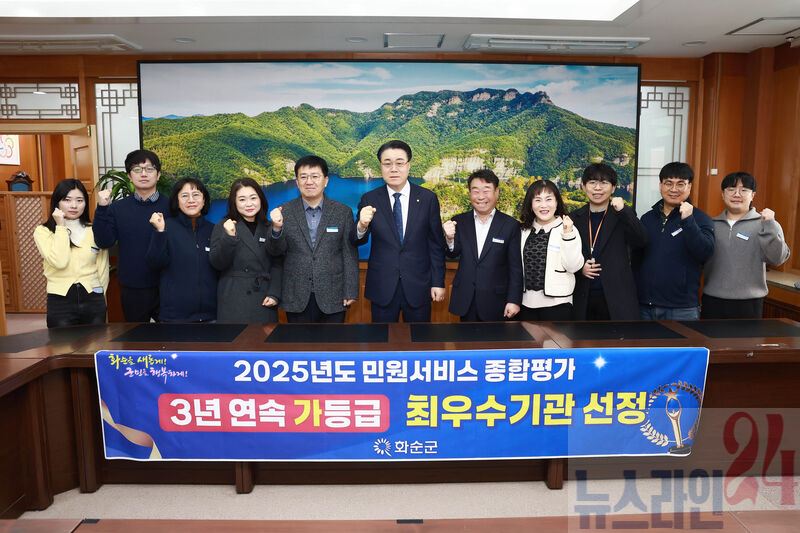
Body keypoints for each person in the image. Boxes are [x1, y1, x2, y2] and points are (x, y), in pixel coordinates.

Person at [349, 140, 446, 322]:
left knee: (419, 338)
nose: (393, 169)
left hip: (419, 286)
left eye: (399, 163)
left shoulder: (428, 199)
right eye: (387, 163)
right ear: (381, 167)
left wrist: (438, 282)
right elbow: (356, 240)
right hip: (382, 287)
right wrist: (361, 225)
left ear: (408, 165)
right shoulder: (369, 198)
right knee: (381, 338)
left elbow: (436, 245)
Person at [267, 156, 359, 323]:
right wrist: (276, 229)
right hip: (296, 294)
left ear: (326, 181)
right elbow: (275, 252)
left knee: (334, 340)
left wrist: (350, 290)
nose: (309, 181)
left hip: (334, 293)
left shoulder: (342, 212)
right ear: (297, 182)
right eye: (303, 177)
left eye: (315, 176)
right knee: (298, 340)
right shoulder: (284, 211)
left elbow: (349, 253)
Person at [93, 149, 169, 322]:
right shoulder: (117, 208)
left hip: (166, 286)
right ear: (129, 176)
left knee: (169, 336)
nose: (144, 174)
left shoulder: (171, 206)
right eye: (137, 169)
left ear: (158, 175)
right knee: (136, 336)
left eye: (149, 169)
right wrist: (102, 208)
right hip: (133, 287)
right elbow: (104, 241)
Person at [702, 172, 790, 318]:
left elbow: (777, 259)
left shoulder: (766, 223)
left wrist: (770, 225)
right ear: (723, 194)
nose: (737, 194)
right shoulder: (710, 224)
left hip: (749, 303)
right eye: (731, 189)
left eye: (744, 190)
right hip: (713, 301)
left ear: (753, 195)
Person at [633, 162, 714, 320]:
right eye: (668, 183)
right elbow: (637, 259)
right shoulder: (647, 218)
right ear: (661, 186)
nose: (674, 189)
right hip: (646, 306)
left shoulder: (700, 219)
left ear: (689, 186)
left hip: (682, 308)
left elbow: (705, 253)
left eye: (680, 184)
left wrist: (688, 221)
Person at [570, 163, 648, 320]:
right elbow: (565, 256)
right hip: (583, 296)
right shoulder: (574, 218)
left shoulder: (622, 214)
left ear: (613, 188)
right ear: (584, 187)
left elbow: (642, 241)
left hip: (616, 297)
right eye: (592, 183)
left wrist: (623, 211)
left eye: (604, 183)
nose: (597, 188)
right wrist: (579, 268)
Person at [443, 169, 522, 321]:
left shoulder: (510, 225)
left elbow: (515, 268)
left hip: (497, 302)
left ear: (496, 192)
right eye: (475, 191)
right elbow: (452, 253)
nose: (480, 197)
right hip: (466, 300)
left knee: (495, 337)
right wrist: (449, 238)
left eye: (486, 191)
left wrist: (514, 300)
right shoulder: (459, 221)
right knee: (464, 337)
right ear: (469, 193)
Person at [33, 179, 109, 328]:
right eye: (67, 200)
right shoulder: (43, 231)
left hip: (94, 299)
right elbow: (60, 262)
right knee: (62, 342)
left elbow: (103, 267)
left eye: (79, 200)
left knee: (96, 341)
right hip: (60, 300)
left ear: (85, 203)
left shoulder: (94, 230)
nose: (74, 205)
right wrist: (61, 226)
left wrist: (100, 296)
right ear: (57, 202)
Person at [209, 177, 282, 323]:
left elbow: (278, 263)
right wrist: (229, 237)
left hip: (264, 298)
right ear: (234, 203)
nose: (249, 204)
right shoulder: (224, 225)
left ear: (261, 199)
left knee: (265, 337)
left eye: (253, 198)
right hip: (234, 300)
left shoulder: (270, 226)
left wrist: (274, 293)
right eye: (242, 199)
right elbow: (217, 263)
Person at [146, 178, 217, 322]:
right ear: (177, 201)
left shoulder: (214, 230)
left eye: (196, 195)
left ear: (204, 200)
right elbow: (154, 263)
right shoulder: (166, 227)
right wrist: (160, 232)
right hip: (175, 317)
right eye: (184, 196)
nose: (191, 200)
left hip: (211, 316)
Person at [518, 179, 584, 321]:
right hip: (525, 304)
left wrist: (568, 234)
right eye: (537, 200)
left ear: (557, 202)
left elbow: (573, 266)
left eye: (549, 199)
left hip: (558, 304)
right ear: (530, 204)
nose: (543, 205)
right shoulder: (523, 230)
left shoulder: (568, 228)